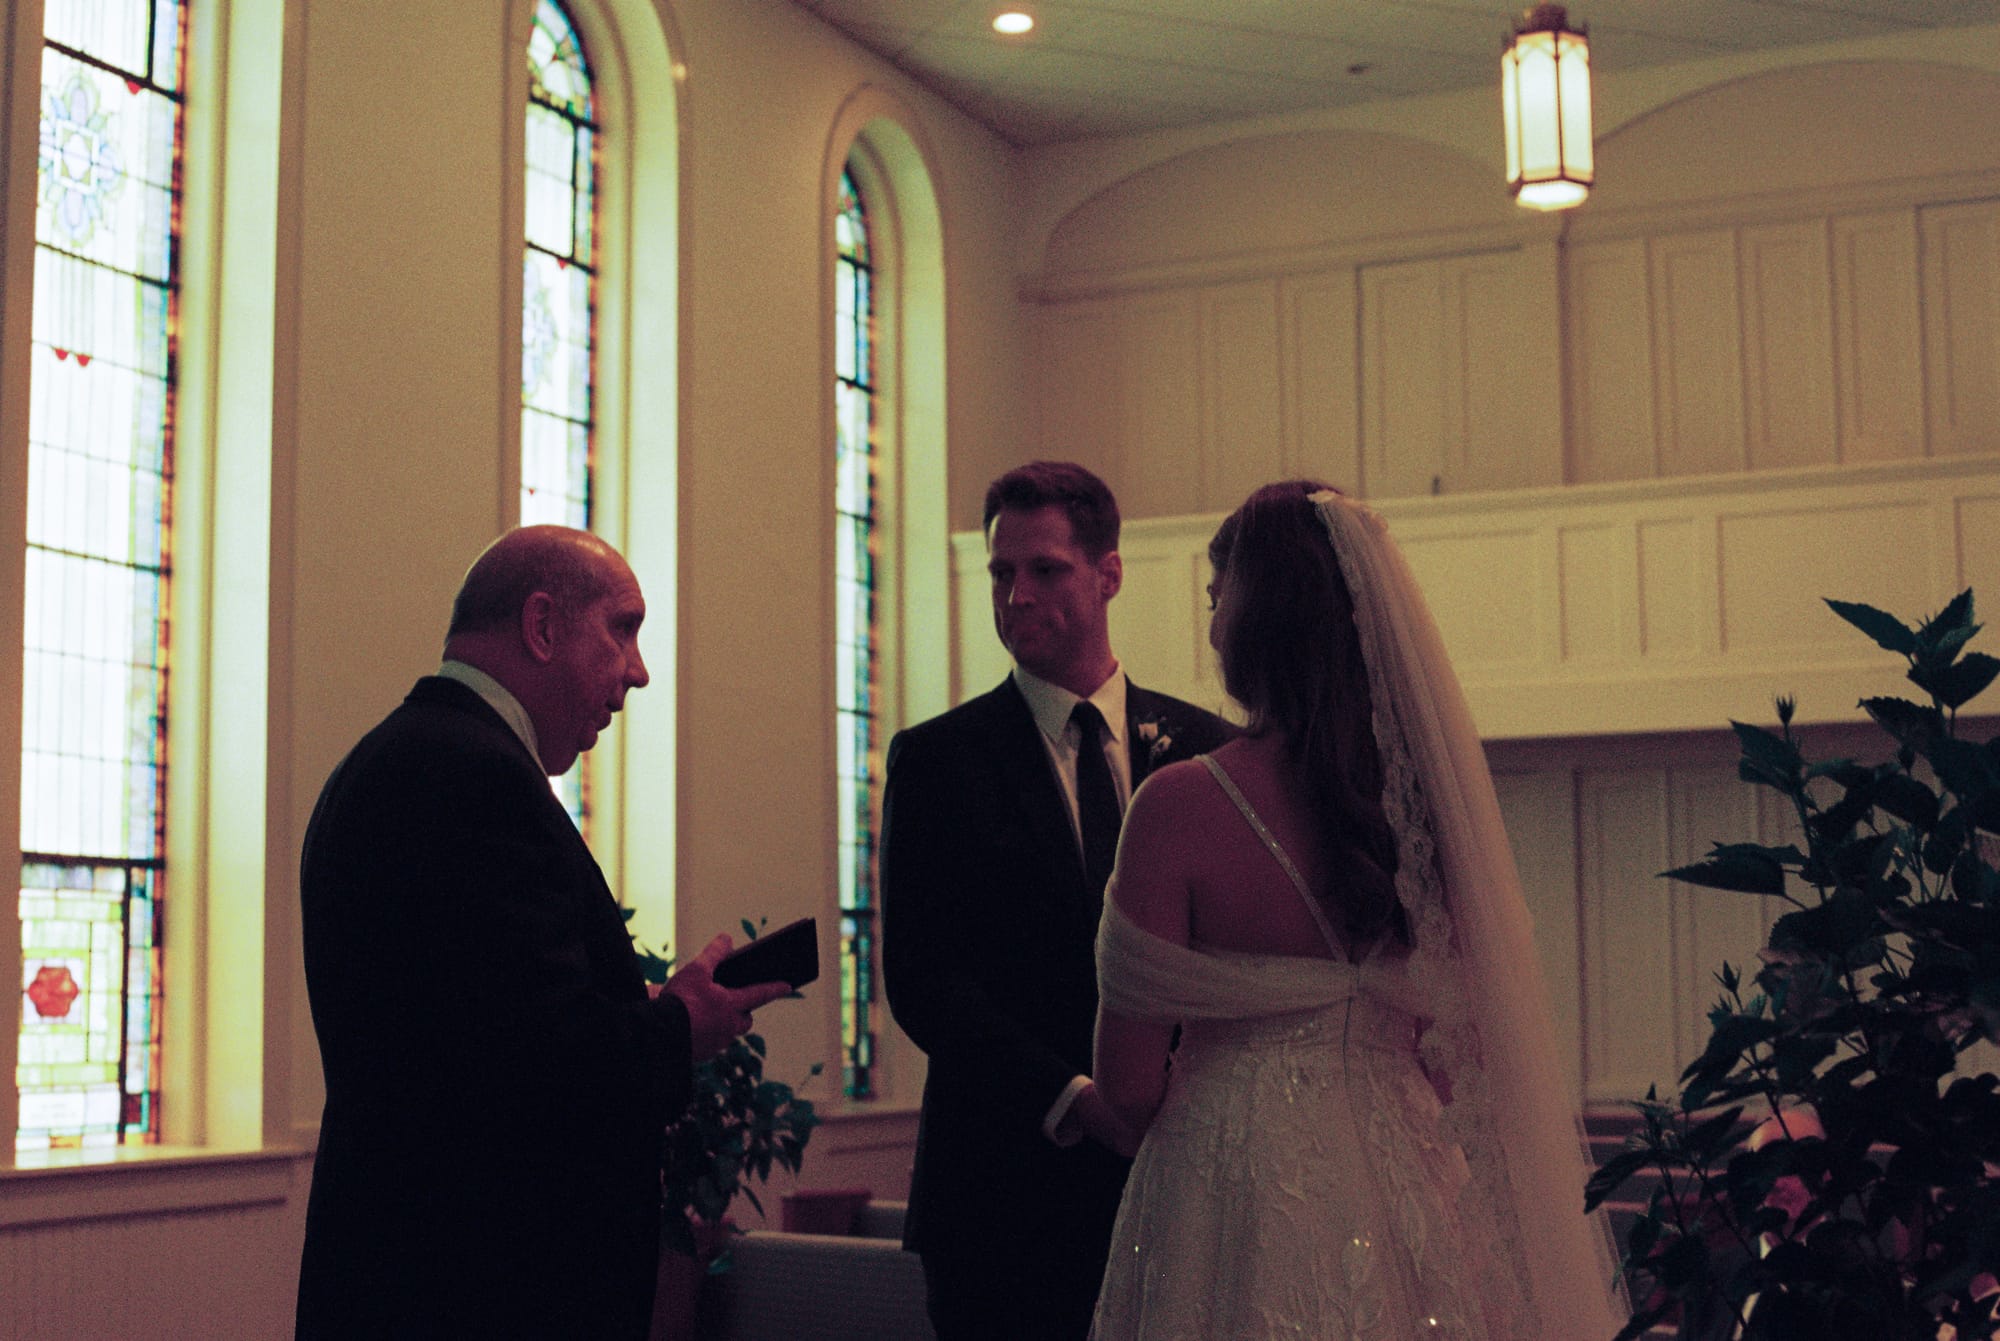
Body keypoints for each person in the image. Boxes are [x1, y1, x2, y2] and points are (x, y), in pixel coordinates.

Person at [1088, 482, 1628, 1340]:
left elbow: (1125, 1087)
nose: (1212, 622)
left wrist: (1078, 1104)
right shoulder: (1423, 812)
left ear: (1258, 615)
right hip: (1408, 1175)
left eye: (1216, 597)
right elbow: (1460, 1051)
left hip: (1235, 1186)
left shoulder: (1180, 805)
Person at [294, 525, 790, 1341]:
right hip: (478, 1291)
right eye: (623, 628)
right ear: (543, 625)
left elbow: (470, 1033)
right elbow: (537, 1065)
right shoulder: (471, 776)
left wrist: (650, 1008)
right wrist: (678, 1027)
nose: (638, 671)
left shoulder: (400, 755)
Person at [881, 462, 1236, 1341]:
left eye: (1045, 570)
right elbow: (925, 978)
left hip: (1180, 1179)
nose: (1016, 596)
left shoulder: (1206, 750)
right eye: (1002, 574)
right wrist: (1075, 1095)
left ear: (1108, 574)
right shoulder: (936, 760)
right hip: (1000, 1193)